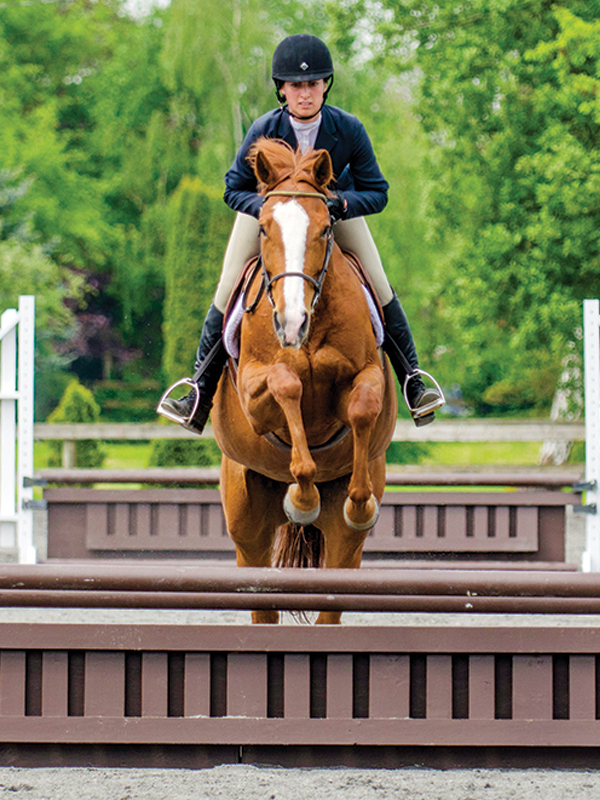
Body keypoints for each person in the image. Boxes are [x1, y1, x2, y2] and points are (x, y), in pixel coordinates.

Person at [159, 33, 444, 433]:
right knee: (228, 285)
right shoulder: (264, 128)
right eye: (296, 86)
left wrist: (340, 205)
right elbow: (233, 188)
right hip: (272, 217)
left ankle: (413, 380)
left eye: (312, 85)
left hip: (331, 215)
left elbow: (377, 192)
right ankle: (198, 392)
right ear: (282, 89)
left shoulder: (348, 129)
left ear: (325, 85)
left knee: (378, 282)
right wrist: (272, 209)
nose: (305, 94)